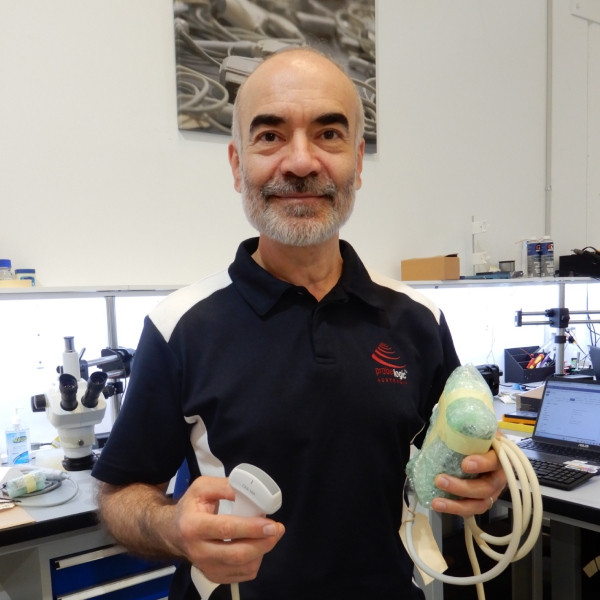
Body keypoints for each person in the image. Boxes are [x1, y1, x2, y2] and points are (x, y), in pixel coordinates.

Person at [92, 47, 507, 600]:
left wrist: (485, 473)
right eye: (270, 136)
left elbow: (459, 445)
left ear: (357, 161)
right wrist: (171, 526)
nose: (301, 162)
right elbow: (120, 494)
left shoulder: (418, 319)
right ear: (237, 165)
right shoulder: (180, 326)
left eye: (328, 134)